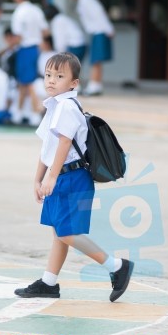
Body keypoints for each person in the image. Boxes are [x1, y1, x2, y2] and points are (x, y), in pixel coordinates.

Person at [14, 52, 134, 302]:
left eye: (59, 76)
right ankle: (49, 283)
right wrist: (38, 178)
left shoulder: (67, 107)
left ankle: (117, 266)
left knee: (67, 233)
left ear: (73, 83)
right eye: (48, 75)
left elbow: (64, 143)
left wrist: (51, 178)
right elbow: (47, 147)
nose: (51, 80)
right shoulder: (55, 105)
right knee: (59, 232)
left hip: (72, 177)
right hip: (62, 177)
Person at [11, 0, 49, 126]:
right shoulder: (36, 10)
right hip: (36, 48)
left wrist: (5, 49)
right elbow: (46, 31)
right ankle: (18, 114)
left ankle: (35, 113)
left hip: (25, 48)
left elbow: (18, 37)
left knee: (28, 82)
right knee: (24, 82)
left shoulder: (19, 12)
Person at [69, 0, 114, 96]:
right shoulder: (84, 0)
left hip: (99, 31)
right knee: (96, 60)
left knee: (96, 60)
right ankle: (96, 85)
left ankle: (94, 85)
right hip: (97, 31)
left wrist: (108, 29)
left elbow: (99, 14)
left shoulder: (85, 0)